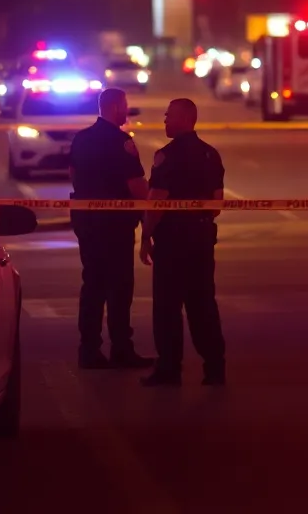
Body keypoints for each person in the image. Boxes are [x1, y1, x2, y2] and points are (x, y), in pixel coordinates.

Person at [139, 98, 227, 387]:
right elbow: (216, 205)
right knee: (203, 304)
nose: (164, 121)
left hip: (173, 241)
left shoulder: (167, 156)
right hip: (202, 239)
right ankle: (214, 367)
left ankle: (169, 369)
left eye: (168, 116)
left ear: (184, 119)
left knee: (167, 306)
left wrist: (146, 235)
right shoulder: (211, 155)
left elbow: (157, 201)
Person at [68, 88, 154, 370]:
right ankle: (121, 348)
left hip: (86, 223)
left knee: (92, 285)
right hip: (115, 226)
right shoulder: (122, 142)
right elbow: (137, 187)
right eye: (125, 105)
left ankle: (88, 349)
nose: (126, 110)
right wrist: (149, 222)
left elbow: (73, 176)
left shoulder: (81, 139)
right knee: (119, 288)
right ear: (116, 106)